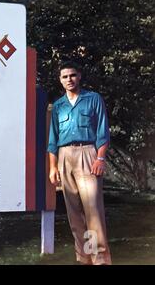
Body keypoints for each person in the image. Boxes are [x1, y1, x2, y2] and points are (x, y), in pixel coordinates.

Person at [47, 61, 112, 265]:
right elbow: (53, 140)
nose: (69, 79)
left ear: (79, 76)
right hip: (65, 156)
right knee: (73, 211)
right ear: (60, 80)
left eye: (72, 75)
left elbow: (103, 132)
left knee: (92, 208)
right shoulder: (58, 106)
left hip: (87, 153)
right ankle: (84, 257)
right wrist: (53, 167)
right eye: (65, 77)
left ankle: (100, 258)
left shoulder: (92, 99)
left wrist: (100, 158)